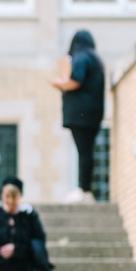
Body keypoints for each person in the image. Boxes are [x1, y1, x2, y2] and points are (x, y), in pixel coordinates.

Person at [51, 30, 105, 202]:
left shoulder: (81, 58)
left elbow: (75, 80)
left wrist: (58, 83)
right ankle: (86, 189)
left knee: (83, 152)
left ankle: (84, 190)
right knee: (87, 151)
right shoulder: (96, 59)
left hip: (80, 114)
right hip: (93, 113)